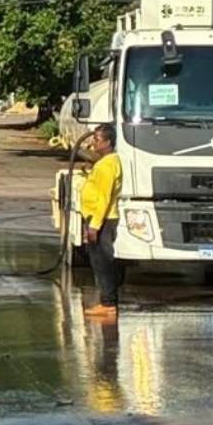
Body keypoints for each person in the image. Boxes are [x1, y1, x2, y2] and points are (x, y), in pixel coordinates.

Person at [81, 124, 122, 319]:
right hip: (99, 217)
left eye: (97, 140)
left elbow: (104, 197)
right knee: (99, 262)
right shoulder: (106, 162)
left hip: (102, 219)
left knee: (102, 263)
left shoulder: (107, 166)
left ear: (107, 142)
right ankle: (107, 301)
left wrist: (94, 226)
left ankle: (108, 303)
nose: (93, 142)